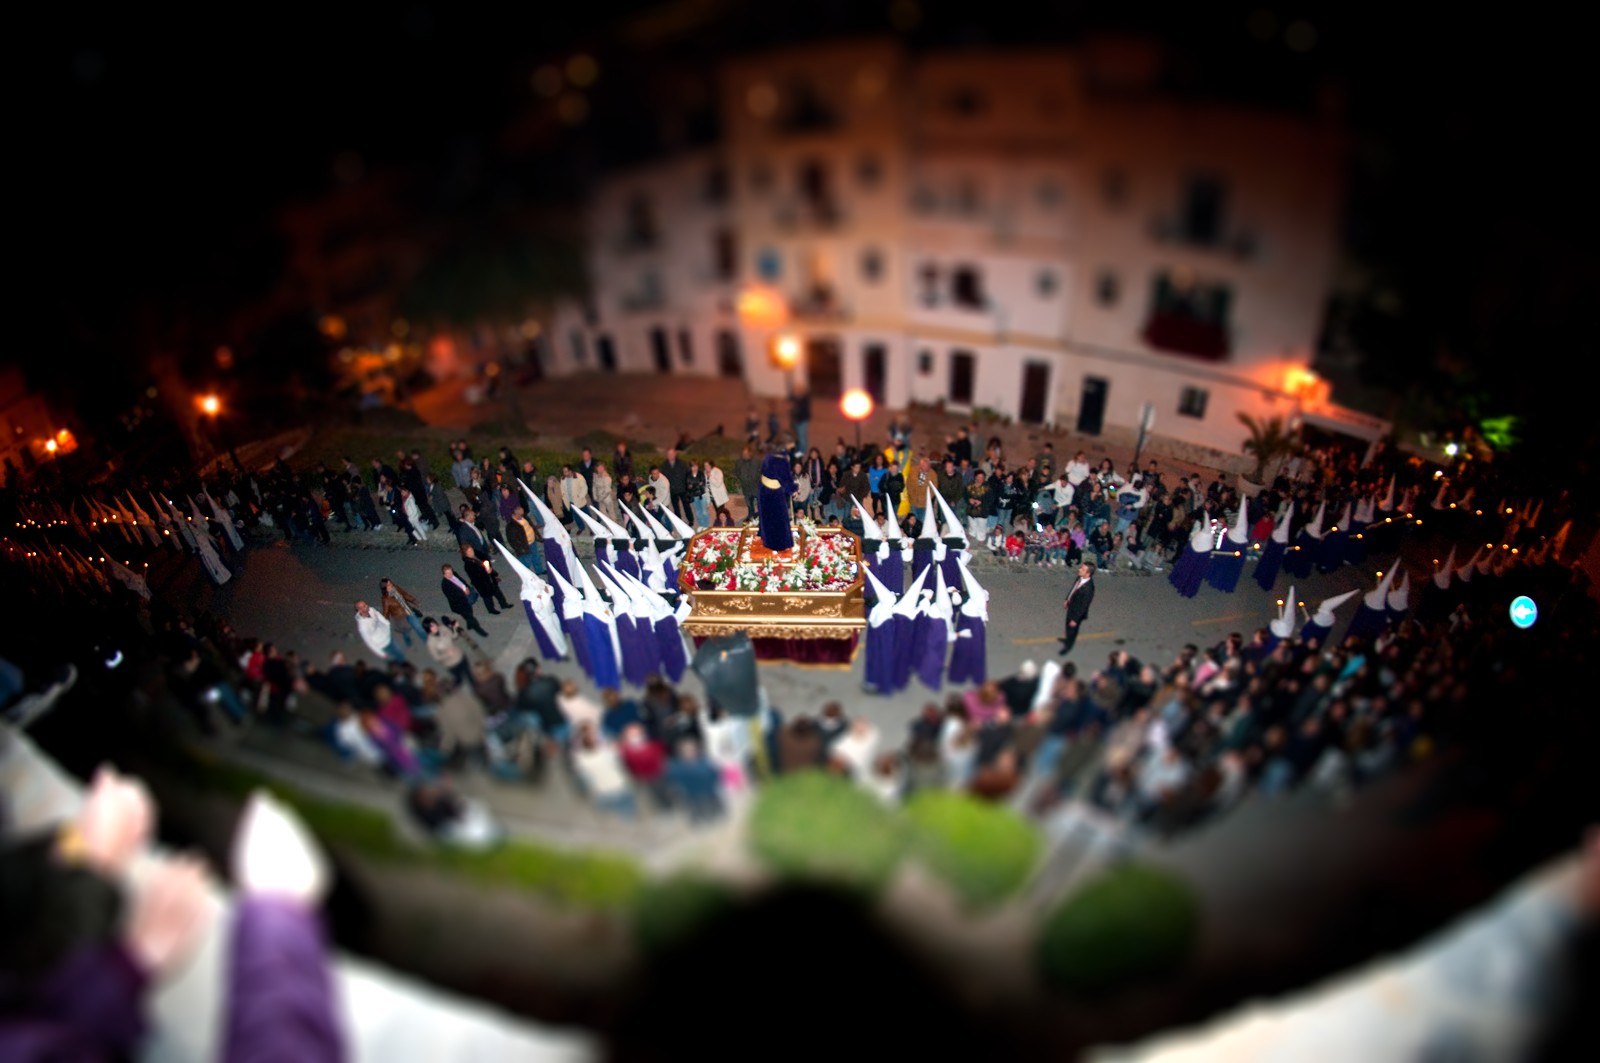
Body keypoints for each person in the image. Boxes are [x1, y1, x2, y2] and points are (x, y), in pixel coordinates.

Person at [757, 446, 798, 551]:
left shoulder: (769, 454)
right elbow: (785, 479)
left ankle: (764, 535)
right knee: (778, 518)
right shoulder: (781, 460)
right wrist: (793, 490)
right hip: (773, 492)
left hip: (763, 489)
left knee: (766, 516)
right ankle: (778, 544)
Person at [439, 564, 490, 636]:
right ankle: (480, 631)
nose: (450, 574)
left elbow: (462, 581)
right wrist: (464, 593)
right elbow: (452, 596)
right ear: (444, 574)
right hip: (460, 604)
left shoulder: (455, 574)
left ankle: (469, 625)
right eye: (448, 573)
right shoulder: (445, 585)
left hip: (466, 598)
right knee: (470, 617)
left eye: (451, 572)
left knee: (469, 613)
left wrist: (467, 587)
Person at [1060, 561, 1096, 658]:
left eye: (1083, 569)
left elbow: (1084, 605)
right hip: (1071, 607)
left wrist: (1075, 619)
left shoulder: (1089, 588)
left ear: (1088, 573)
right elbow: (1073, 589)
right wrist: (1067, 599)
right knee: (1068, 626)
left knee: (1072, 629)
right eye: (1081, 567)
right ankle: (1067, 637)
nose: (1079, 570)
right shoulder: (1080, 578)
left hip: (1077, 613)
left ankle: (1068, 646)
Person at [378, 577, 428, 647]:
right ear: (384, 588)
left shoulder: (396, 588)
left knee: (418, 627)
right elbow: (386, 612)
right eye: (388, 584)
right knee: (406, 632)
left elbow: (405, 594)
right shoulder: (386, 600)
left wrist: (413, 600)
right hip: (400, 618)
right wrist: (385, 622)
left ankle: (426, 640)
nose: (391, 585)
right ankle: (409, 644)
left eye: (390, 583)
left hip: (409, 611)